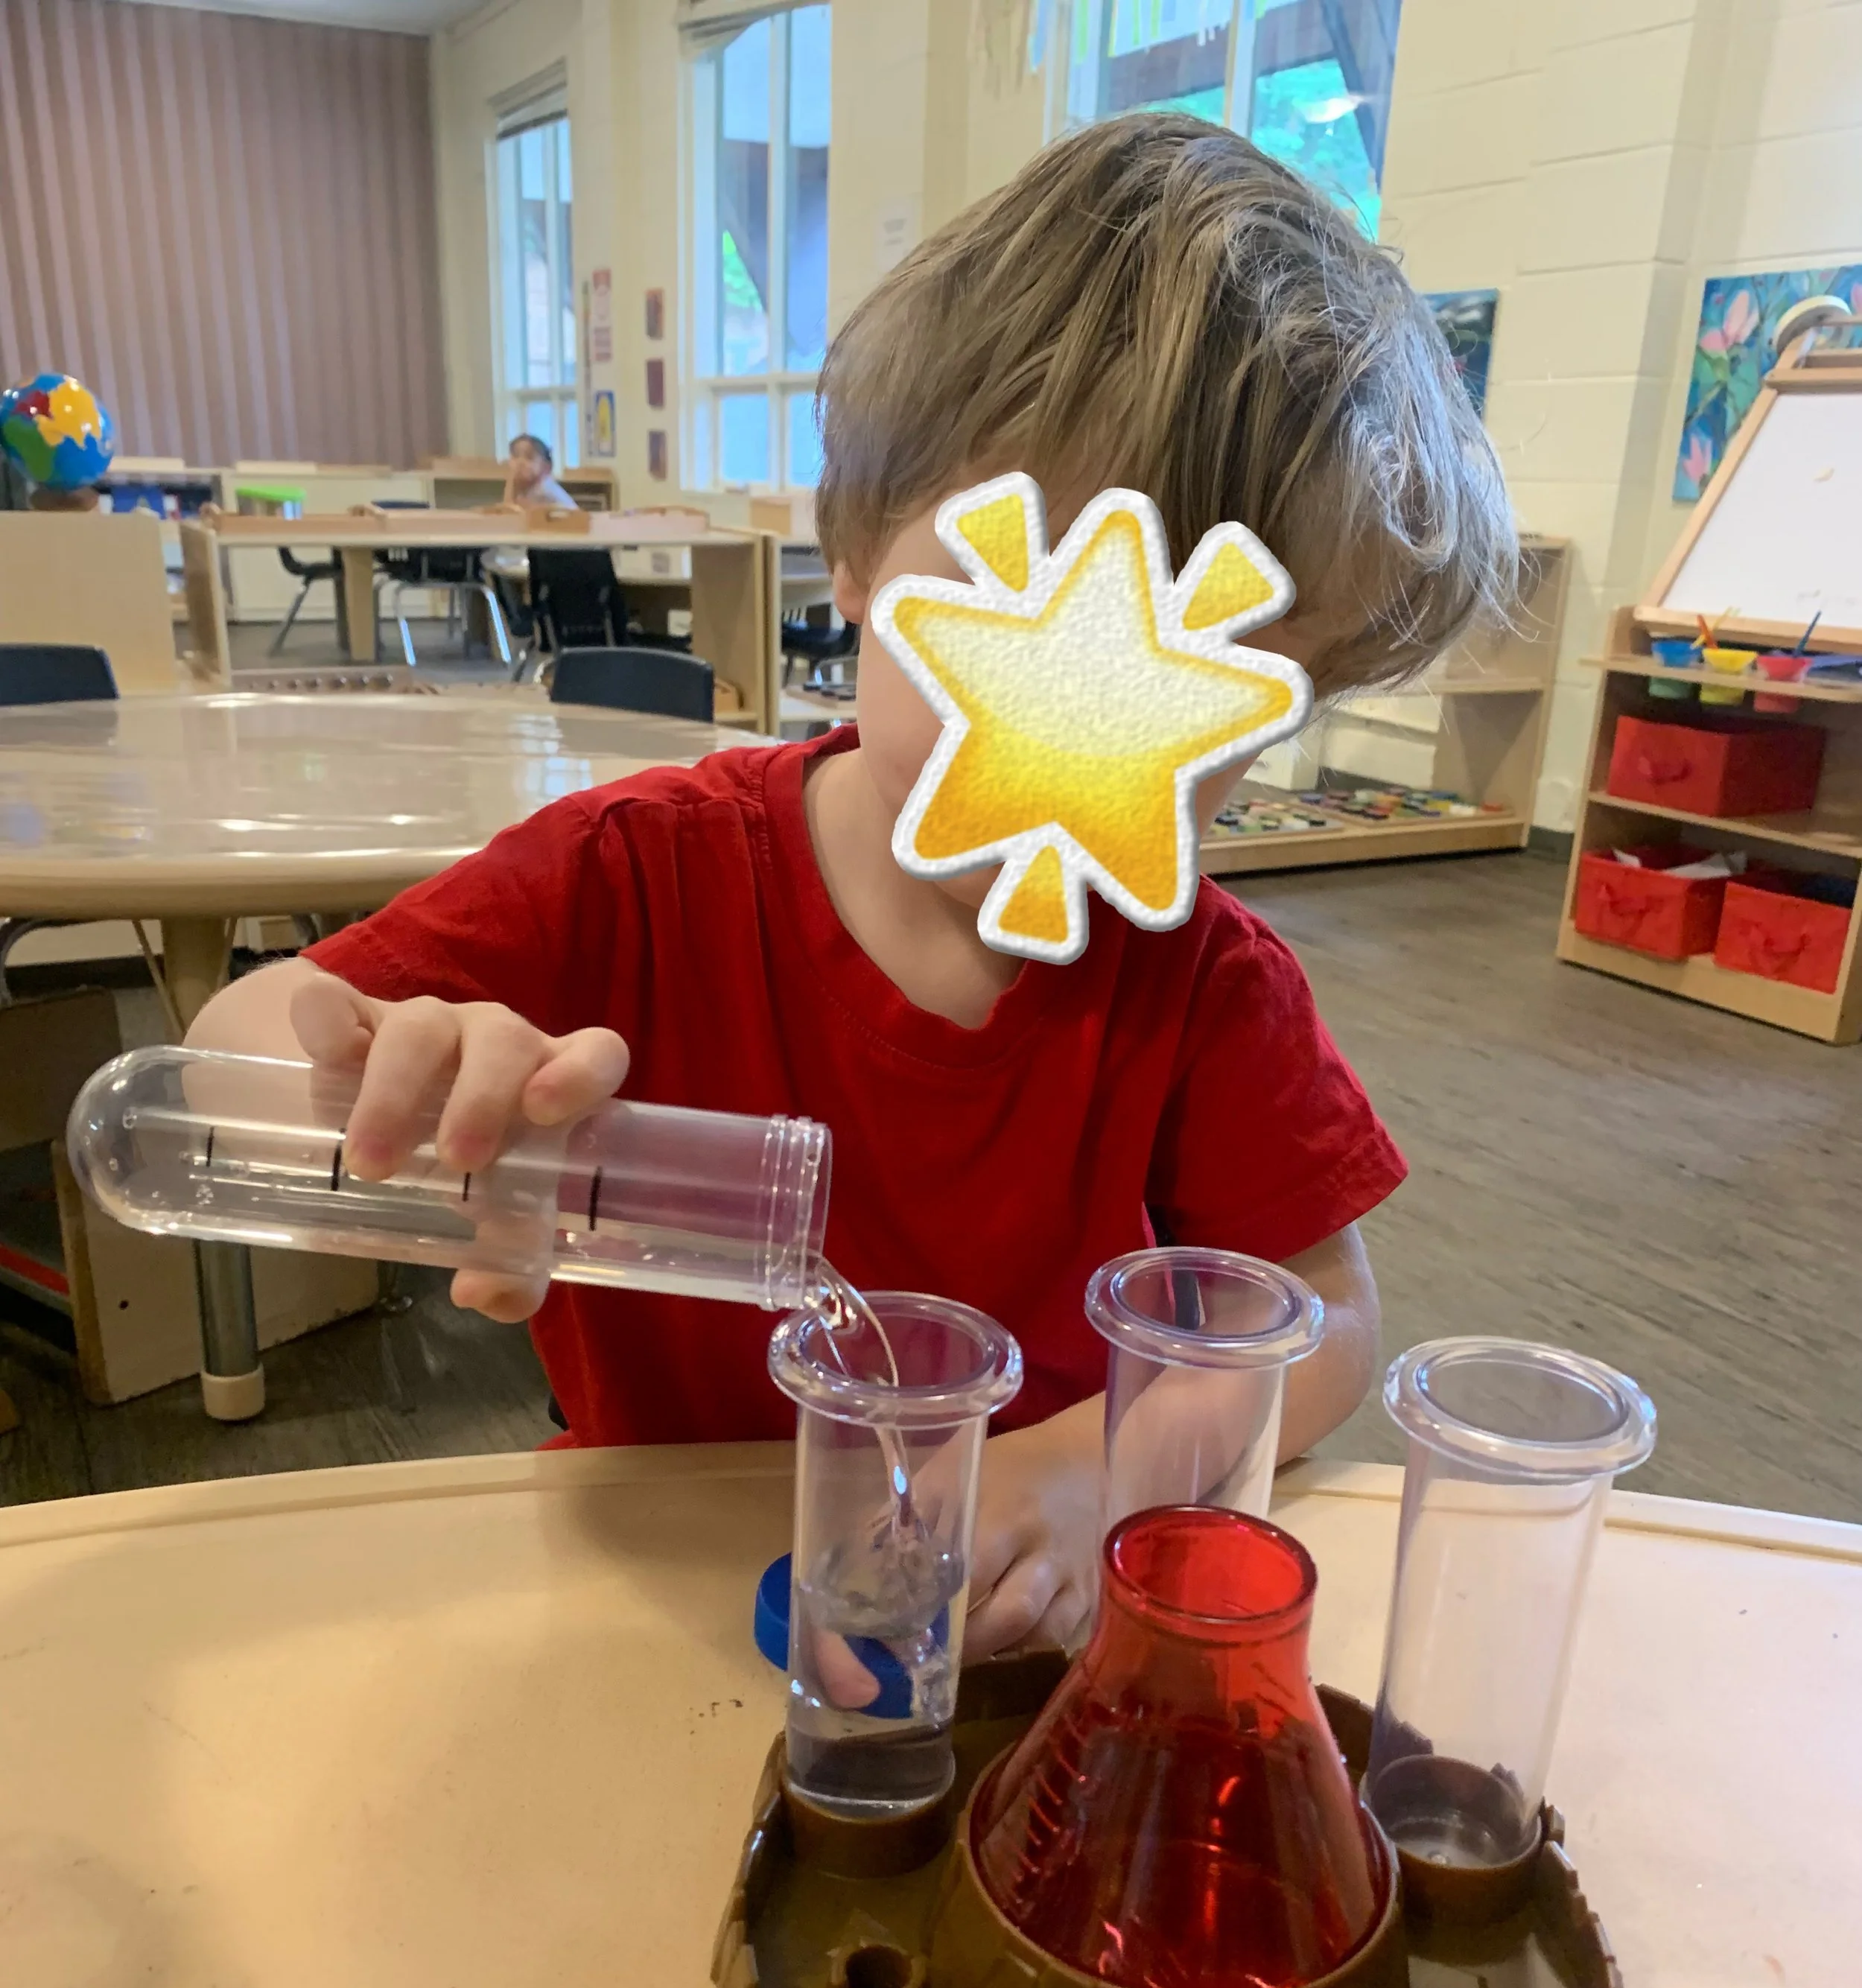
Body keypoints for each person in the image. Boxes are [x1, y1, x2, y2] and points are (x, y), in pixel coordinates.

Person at [190, 115, 1516, 1656]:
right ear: (855, 556)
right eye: (1030, 630)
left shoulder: (1203, 984)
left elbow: (1325, 1318)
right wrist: (392, 1075)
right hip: (646, 1595)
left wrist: (1097, 1467)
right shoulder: (632, 875)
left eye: (1200, 691)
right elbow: (235, 1048)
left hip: (1011, 1613)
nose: (1076, 734)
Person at [499, 433, 577, 512]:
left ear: (546, 467)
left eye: (529, 458)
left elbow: (512, 512)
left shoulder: (544, 490)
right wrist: (511, 480)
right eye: (515, 456)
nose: (520, 462)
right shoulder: (524, 487)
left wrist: (511, 482)